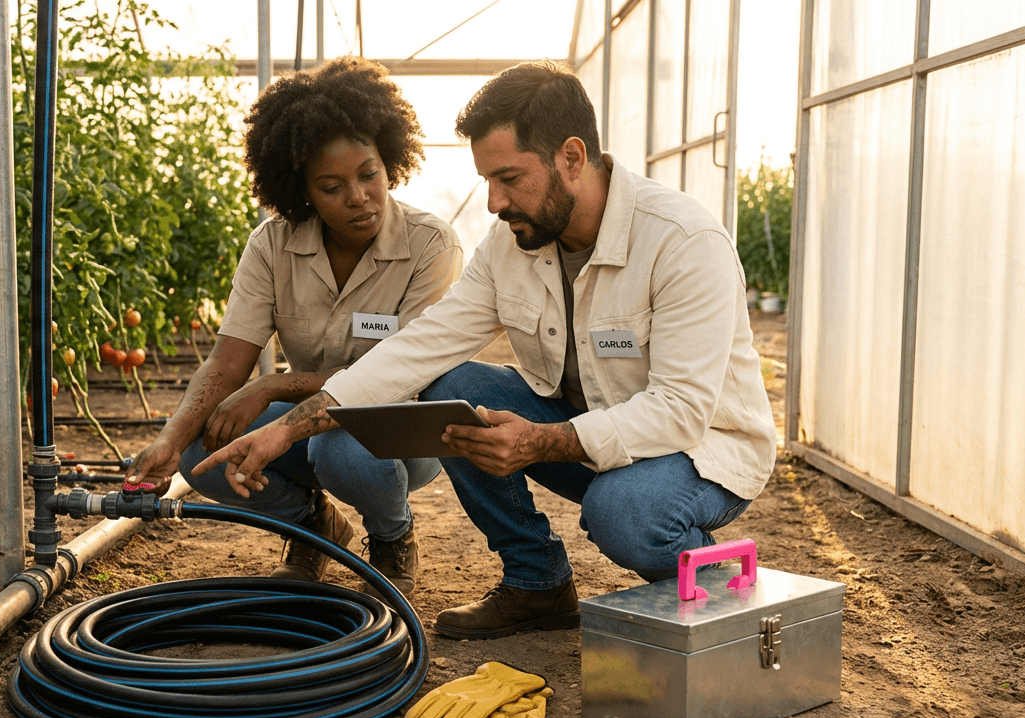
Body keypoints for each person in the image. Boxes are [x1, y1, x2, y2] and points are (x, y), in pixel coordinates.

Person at [192, 60, 775, 639]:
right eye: (487, 181)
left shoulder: (682, 241)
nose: (494, 202)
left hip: (697, 453)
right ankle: (537, 583)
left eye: (509, 178)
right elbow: (420, 347)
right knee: (455, 386)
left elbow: (680, 410)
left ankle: (729, 598)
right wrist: (286, 429)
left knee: (624, 514)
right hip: (588, 435)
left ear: (571, 158)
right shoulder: (510, 244)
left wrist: (540, 440)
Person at [123, 57, 463, 597]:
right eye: (332, 186)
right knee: (201, 449)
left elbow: (399, 376)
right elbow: (228, 359)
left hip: (400, 430)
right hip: (307, 427)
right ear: (302, 191)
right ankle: (313, 527)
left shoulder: (430, 245)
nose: (358, 196)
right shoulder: (272, 245)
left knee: (341, 446)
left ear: (389, 161)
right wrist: (170, 438)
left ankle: (393, 537)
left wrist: (272, 386)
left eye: (369, 174)